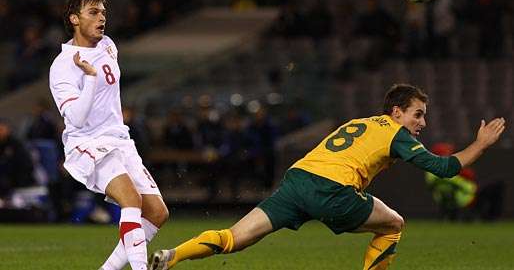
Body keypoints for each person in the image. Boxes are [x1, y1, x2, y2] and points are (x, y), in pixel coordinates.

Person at [148, 84, 505, 270]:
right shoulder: (394, 132)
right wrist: (481, 144)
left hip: (296, 181)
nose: (422, 123)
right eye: (417, 114)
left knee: (234, 237)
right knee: (393, 224)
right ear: (396, 112)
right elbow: (444, 168)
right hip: (331, 189)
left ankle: (171, 257)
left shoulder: (359, 123)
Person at [48, 0, 168, 270]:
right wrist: (89, 77)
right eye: (93, 12)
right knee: (131, 200)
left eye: (103, 12)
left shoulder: (108, 45)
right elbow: (76, 119)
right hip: (88, 142)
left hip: (119, 139)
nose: (102, 18)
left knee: (158, 213)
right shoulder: (63, 65)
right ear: (74, 19)